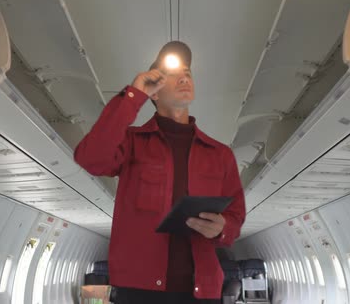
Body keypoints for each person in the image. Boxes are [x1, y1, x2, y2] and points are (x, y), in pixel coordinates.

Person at [74, 41, 246, 304]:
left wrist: (223, 228)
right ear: (154, 92)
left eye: (188, 72)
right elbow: (90, 158)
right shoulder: (132, 143)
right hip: (139, 290)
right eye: (174, 74)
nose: (185, 77)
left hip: (203, 291)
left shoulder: (220, 154)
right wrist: (134, 94)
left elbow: (235, 217)